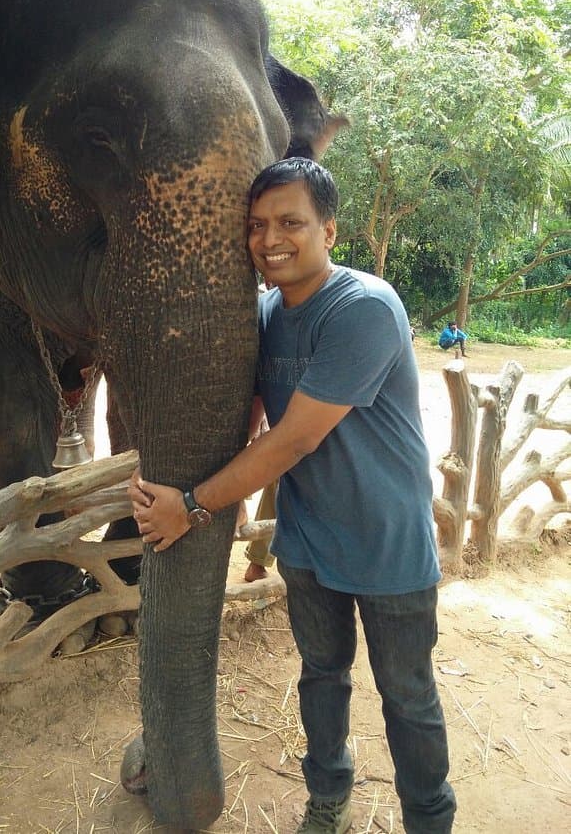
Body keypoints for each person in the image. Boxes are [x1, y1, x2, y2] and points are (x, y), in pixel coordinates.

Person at [130, 158, 456, 834]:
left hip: (386, 540)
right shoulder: (265, 313)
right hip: (308, 537)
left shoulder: (364, 309)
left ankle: (429, 819)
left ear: (328, 230)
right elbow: (250, 413)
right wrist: (205, 485)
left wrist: (193, 506)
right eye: (257, 225)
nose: (270, 239)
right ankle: (328, 799)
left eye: (290, 222)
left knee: (407, 695)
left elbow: (294, 439)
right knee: (321, 676)